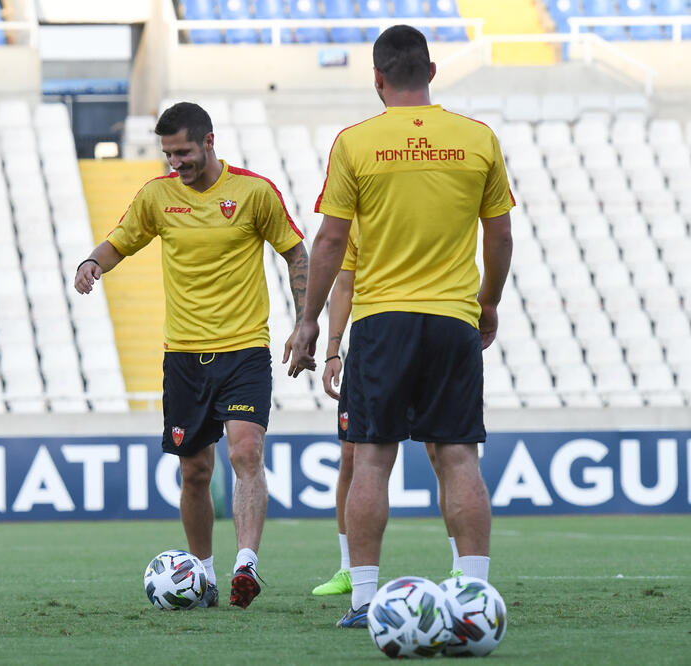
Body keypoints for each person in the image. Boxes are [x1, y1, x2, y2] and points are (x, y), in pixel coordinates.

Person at [287, 25, 514, 628]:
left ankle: (364, 600)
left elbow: (332, 240)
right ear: (433, 72)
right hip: (452, 318)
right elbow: (500, 234)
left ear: (378, 78)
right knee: (459, 458)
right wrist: (487, 301)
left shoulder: (356, 143)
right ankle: (474, 597)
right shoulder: (477, 139)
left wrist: (309, 323)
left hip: (383, 320)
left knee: (371, 461)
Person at [74, 102, 309, 609]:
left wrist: (304, 322)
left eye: (181, 151)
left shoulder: (253, 192)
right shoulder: (157, 196)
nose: (174, 162)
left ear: (208, 141)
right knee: (194, 471)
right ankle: (202, 575)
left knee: (245, 452)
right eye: (167, 153)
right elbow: (121, 240)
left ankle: (245, 564)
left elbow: (295, 250)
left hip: (245, 348)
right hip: (182, 354)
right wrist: (94, 261)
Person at [311, 223, 460, 597]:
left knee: (443, 453)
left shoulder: (431, 200)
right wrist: (332, 350)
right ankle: (349, 569)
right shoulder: (358, 215)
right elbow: (344, 283)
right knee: (353, 454)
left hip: (426, 328)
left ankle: (461, 567)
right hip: (376, 336)